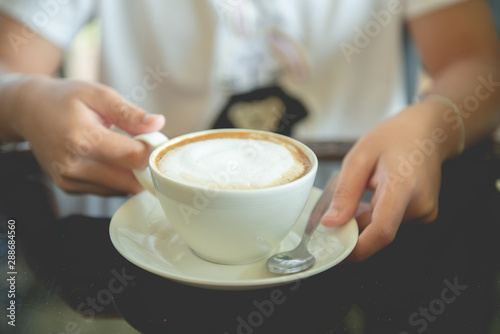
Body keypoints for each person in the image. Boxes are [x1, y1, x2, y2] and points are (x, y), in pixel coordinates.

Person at [0, 0, 499, 264]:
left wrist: (433, 123)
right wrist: (25, 101)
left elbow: (478, 63)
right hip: (129, 236)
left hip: (358, 225)